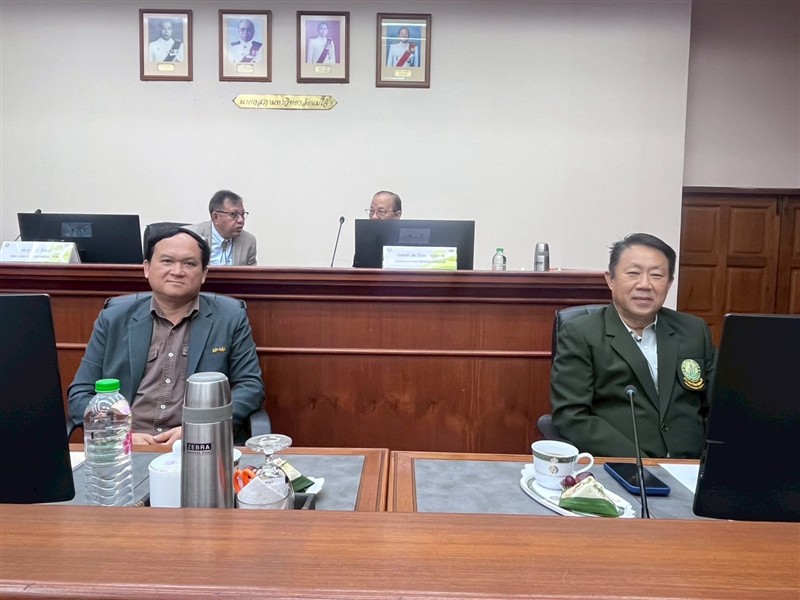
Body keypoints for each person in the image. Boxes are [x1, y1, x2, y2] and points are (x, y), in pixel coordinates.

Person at [67, 228, 264, 445]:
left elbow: (250, 386)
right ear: (147, 268)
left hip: (198, 445)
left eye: (189, 263)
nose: (177, 271)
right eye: (167, 261)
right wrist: (119, 433)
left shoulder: (229, 318)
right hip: (125, 446)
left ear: (204, 274)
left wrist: (201, 427)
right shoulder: (113, 318)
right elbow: (80, 394)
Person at [550, 233, 716, 459]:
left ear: (669, 284)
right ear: (610, 279)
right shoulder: (581, 333)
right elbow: (572, 415)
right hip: (623, 465)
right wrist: (640, 464)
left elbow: (717, 406)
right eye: (633, 274)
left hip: (691, 467)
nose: (645, 285)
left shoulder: (693, 330)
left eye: (657, 275)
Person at [184, 190, 257, 266]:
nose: (241, 220)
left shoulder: (248, 241)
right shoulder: (190, 236)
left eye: (242, 214)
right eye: (234, 214)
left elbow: (251, 273)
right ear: (215, 217)